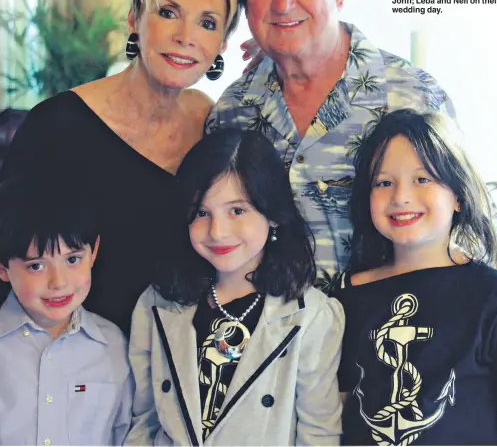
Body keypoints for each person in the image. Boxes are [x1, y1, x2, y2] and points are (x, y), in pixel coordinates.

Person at [0, 0, 242, 425]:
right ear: (135, 17)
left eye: (207, 22)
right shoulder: (59, 124)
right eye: (168, 12)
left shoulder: (218, 128)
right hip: (73, 376)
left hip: (177, 376)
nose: (186, 36)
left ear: (222, 42)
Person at [206, 0, 497, 292]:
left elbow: (484, 236)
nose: (283, 2)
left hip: (395, 341)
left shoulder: (411, 92)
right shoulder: (232, 112)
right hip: (274, 348)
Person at [124, 128, 344, 446]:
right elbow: (143, 422)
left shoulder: (313, 316)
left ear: (274, 215)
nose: (218, 231)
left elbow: (319, 435)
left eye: (237, 210)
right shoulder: (157, 303)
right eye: (201, 212)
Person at [335, 109, 497, 445]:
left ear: (458, 195)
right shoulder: (343, 301)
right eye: (383, 182)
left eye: (422, 179)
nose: (401, 197)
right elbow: (332, 418)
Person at [0, 176, 133, 445]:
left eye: (73, 259)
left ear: (94, 252)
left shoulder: (116, 347)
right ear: (0, 268)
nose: (58, 282)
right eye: (36, 266)